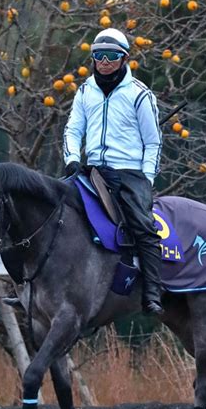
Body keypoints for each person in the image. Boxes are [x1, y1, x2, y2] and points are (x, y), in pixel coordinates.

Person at [63, 28, 165, 315]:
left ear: (125, 59)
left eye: (111, 56)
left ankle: (152, 294)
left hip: (130, 175)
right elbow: (73, 130)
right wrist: (72, 159)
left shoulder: (140, 95)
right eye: (98, 56)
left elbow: (153, 141)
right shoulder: (84, 91)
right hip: (91, 171)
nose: (104, 61)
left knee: (143, 228)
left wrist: (145, 178)